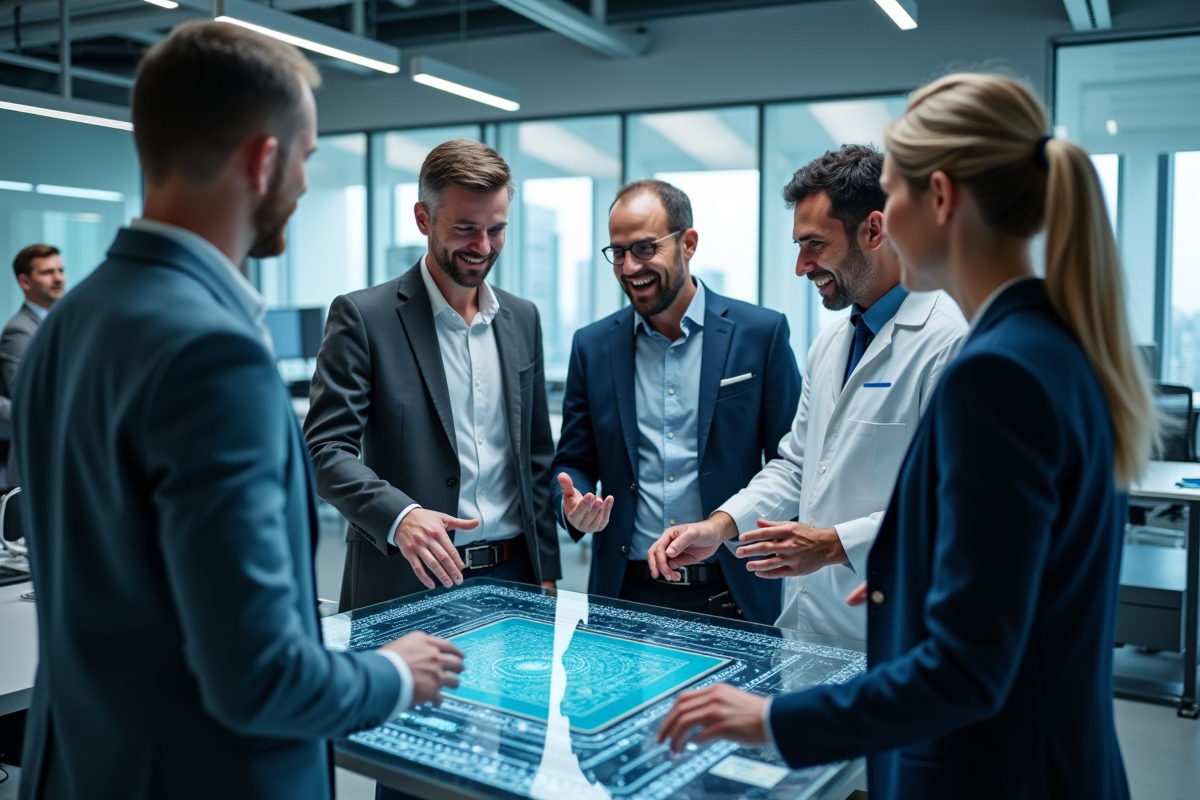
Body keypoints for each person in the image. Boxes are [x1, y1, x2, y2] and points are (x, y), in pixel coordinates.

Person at [657, 73, 1156, 800]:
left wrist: (771, 720)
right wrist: (904, 570)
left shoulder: (993, 372)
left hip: (998, 769)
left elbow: (968, 669)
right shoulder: (1050, 344)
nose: (888, 217)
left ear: (942, 198)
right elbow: (1000, 556)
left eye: (895, 194)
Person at [13, 23, 463, 800]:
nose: (305, 183)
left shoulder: (70, 323)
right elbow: (260, 678)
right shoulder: (215, 354)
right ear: (264, 159)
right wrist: (393, 674)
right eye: (307, 157)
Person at [646, 146, 966, 642]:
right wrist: (720, 526)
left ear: (875, 230)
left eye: (814, 244)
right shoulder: (833, 341)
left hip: (895, 630)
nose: (801, 266)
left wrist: (835, 544)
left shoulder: (949, 340)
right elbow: (796, 465)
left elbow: (955, 504)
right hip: (808, 625)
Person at [305, 139, 560, 614]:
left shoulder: (523, 318)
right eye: (465, 228)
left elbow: (535, 460)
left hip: (517, 579)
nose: (483, 247)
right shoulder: (364, 317)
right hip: (407, 576)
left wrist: (545, 572)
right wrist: (399, 516)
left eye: (497, 229)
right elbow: (323, 451)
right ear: (423, 218)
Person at [550, 179, 801, 624]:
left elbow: (791, 462)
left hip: (733, 589)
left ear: (688, 243)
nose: (629, 267)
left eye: (645, 249)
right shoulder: (592, 346)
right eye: (618, 252)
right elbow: (573, 458)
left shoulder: (761, 334)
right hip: (623, 592)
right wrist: (574, 503)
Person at [0, 244, 66, 420]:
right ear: (25, 282)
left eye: (60, 270)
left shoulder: (65, 323)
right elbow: (24, 395)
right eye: (47, 272)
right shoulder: (19, 330)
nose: (58, 278)